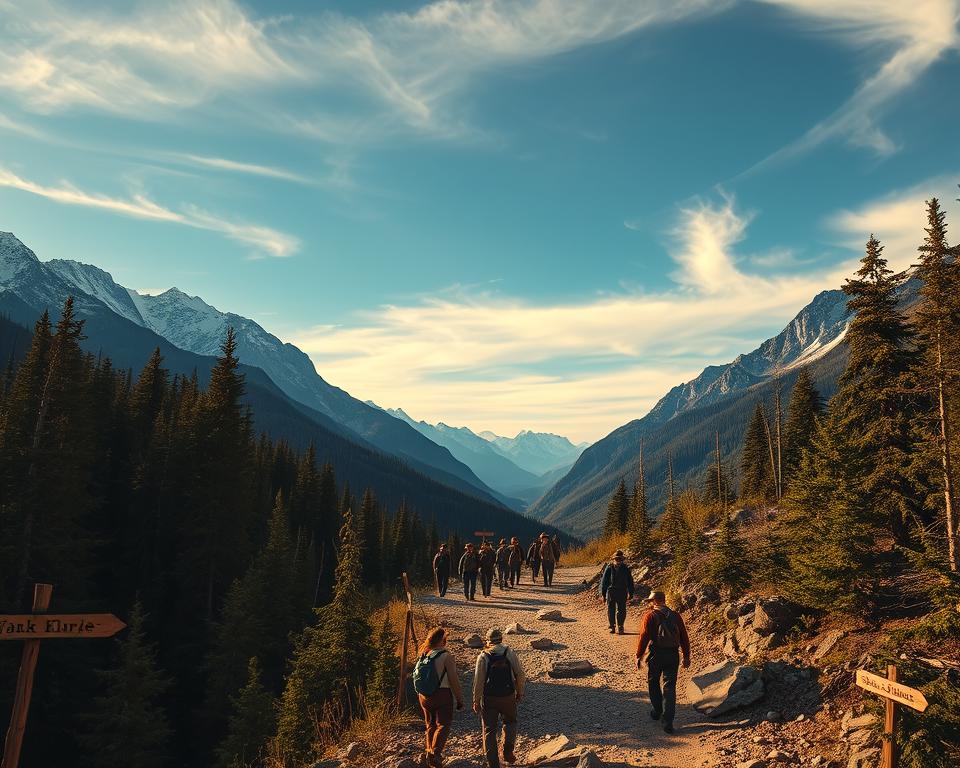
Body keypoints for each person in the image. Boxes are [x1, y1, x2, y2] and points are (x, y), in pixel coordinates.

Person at [635, 590, 691, 734]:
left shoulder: (650, 616)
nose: (649, 604)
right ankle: (668, 722)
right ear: (664, 600)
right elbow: (684, 637)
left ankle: (657, 711)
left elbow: (644, 637)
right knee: (670, 687)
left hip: (656, 655)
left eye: (650, 601)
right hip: (673, 655)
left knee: (653, 682)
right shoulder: (675, 616)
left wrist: (639, 655)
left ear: (654, 601)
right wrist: (686, 656)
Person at [473, 628, 526, 768]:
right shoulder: (509, 652)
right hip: (508, 695)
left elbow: (478, 682)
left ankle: (493, 763)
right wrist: (520, 692)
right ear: (501, 639)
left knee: (489, 730)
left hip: (489, 698)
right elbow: (520, 674)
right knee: (510, 722)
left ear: (487, 641)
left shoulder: (483, 656)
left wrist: (476, 700)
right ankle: (508, 751)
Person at [414, 627, 465, 768]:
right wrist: (460, 699)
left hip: (424, 696)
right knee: (443, 724)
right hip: (442, 694)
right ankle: (435, 755)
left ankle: (429, 752)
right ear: (442, 640)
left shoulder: (425, 654)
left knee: (430, 725)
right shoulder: (445, 656)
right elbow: (454, 680)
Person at [599, 549, 635, 634]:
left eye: (620, 559)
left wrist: (631, 593)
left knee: (622, 610)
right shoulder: (609, 568)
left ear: (622, 560)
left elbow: (630, 581)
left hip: (622, 591)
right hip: (611, 591)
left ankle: (620, 626)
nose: (618, 561)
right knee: (611, 609)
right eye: (617, 559)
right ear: (614, 559)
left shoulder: (625, 568)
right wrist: (603, 594)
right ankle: (612, 626)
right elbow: (604, 581)